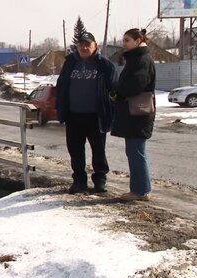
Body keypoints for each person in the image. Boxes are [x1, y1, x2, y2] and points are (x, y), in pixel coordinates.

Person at [56, 32, 118, 194]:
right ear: (76, 46)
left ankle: (100, 181)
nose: (84, 47)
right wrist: (60, 108)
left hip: (96, 116)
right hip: (73, 115)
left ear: (95, 46)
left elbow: (115, 89)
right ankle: (79, 181)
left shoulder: (104, 65)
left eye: (87, 44)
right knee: (75, 151)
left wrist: (112, 109)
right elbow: (61, 85)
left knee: (98, 150)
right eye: (81, 44)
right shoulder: (70, 63)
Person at [111, 28, 156, 201]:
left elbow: (136, 84)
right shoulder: (136, 58)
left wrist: (118, 93)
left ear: (138, 41)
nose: (124, 44)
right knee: (134, 151)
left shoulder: (141, 59)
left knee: (136, 152)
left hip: (138, 113)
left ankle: (140, 191)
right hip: (135, 113)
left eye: (127, 40)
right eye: (123, 40)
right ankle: (140, 189)